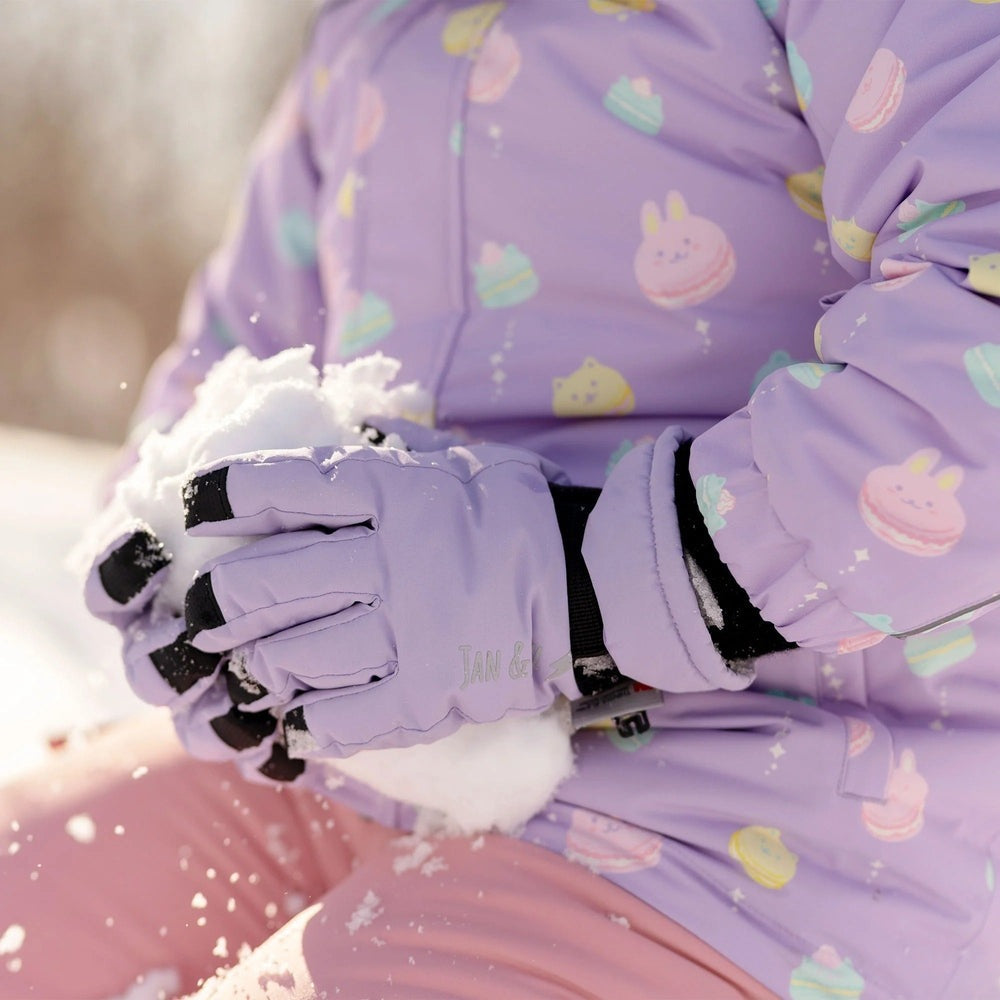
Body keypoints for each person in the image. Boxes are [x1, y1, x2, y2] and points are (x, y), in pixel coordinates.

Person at [3, 0, 1000, 996]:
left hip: (786, 817)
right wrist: (202, 568)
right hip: (376, 754)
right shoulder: (368, 31)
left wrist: (589, 586)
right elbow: (231, 361)